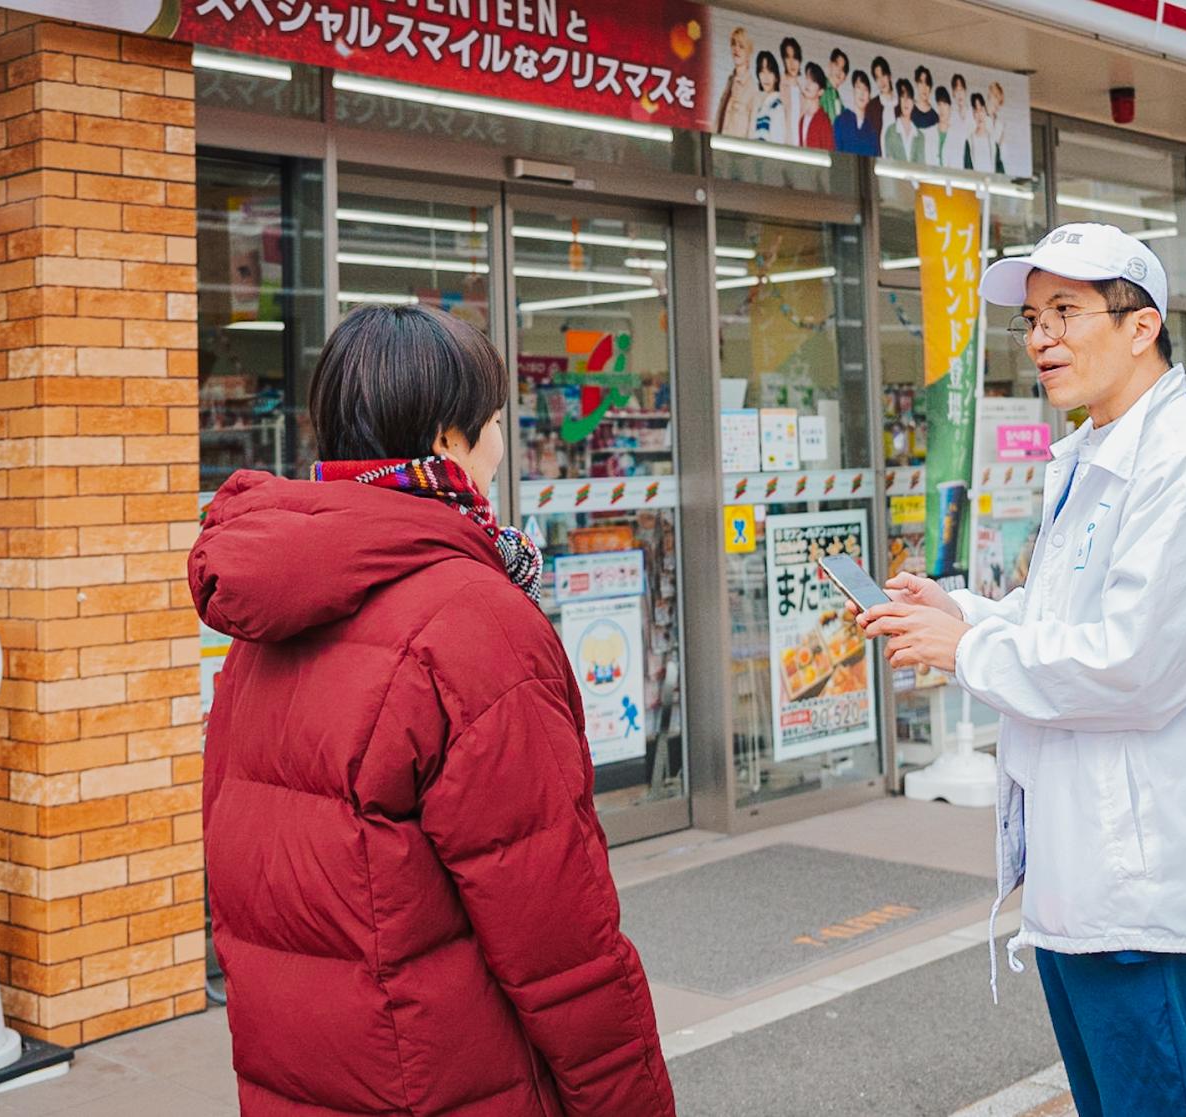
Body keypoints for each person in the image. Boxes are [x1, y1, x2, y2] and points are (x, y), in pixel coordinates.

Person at [191, 304, 679, 1117]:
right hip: (454, 1075)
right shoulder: (471, 619)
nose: (500, 445)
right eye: (493, 422)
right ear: (449, 439)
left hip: (302, 1070)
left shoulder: (267, 613)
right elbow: (557, 935)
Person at [856, 224, 1186, 1117]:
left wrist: (966, 650)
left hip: (1147, 888)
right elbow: (1060, 621)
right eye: (1030, 317)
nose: (1040, 336)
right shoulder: (1094, 458)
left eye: (1064, 311)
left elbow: (1130, 664)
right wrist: (958, 610)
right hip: (1087, 871)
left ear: (1140, 327)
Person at [718, 26, 754, 138]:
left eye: (741, 46)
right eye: (733, 44)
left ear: (749, 51)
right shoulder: (730, 81)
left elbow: (752, 129)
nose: (736, 49)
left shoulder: (751, 88)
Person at [834, 70, 882, 156]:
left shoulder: (872, 130)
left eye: (865, 89)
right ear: (853, 91)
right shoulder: (841, 121)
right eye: (859, 88)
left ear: (869, 96)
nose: (862, 93)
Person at [884, 78, 925, 163]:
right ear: (899, 100)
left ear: (913, 102)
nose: (906, 102)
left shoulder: (920, 136)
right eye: (903, 97)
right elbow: (889, 162)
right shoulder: (891, 131)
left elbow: (921, 166)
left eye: (909, 97)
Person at [797, 61, 835, 149]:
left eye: (813, 81)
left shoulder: (824, 121)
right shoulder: (803, 119)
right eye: (807, 78)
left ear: (821, 91)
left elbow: (830, 152)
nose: (808, 84)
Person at [753, 49, 787, 144]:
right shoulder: (759, 106)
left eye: (770, 72)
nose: (766, 77)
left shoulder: (777, 106)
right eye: (762, 72)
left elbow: (778, 144)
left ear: (776, 77)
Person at [964, 90, 996, 172]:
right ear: (973, 114)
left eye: (981, 109)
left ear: (985, 111)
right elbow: (967, 168)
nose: (979, 114)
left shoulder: (992, 139)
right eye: (976, 111)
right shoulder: (969, 141)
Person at [780, 36, 804, 144]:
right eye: (788, 57)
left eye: (795, 57)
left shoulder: (805, 87)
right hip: (785, 144)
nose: (792, 63)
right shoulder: (779, 84)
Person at [929, 84, 957, 167]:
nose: (942, 109)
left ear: (950, 108)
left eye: (945, 104)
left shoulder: (956, 136)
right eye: (939, 104)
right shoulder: (930, 133)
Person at [870, 55, 896, 132]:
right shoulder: (872, 106)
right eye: (878, 78)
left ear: (889, 76)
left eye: (883, 75)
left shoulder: (900, 104)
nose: (881, 81)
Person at [988, 80, 1008, 174]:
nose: (996, 102)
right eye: (994, 96)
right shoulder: (979, 118)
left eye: (998, 100)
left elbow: (1003, 153)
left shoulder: (1000, 125)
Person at [912, 65, 939, 130]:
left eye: (927, 83)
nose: (924, 87)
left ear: (930, 87)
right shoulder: (909, 109)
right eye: (921, 82)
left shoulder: (934, 117)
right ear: (916, 84)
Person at [828, 47, 853, 112]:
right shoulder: (820, 89)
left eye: (843, 69)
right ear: (830, 65)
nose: (839, 71)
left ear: (845, 77)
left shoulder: (837, 98)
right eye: (837, 65)